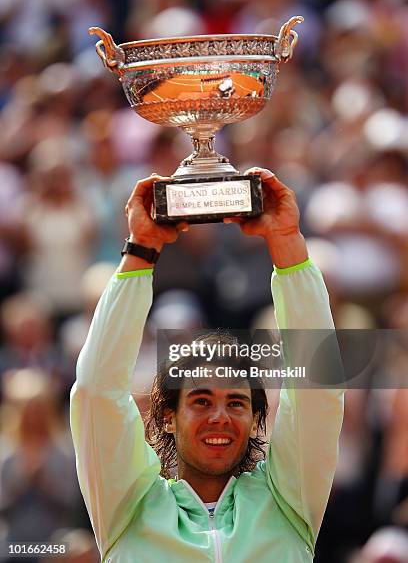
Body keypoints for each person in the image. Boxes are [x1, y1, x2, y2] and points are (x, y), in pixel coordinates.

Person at [70, 168, 344, 562]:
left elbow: (319, 391)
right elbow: (97, 392)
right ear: (167, 416)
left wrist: (286, 242)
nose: (220, 416)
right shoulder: (125, 508)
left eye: (236, 403)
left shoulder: (290, 502)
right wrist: (141, 250)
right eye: (200, 401)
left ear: (255, 420)